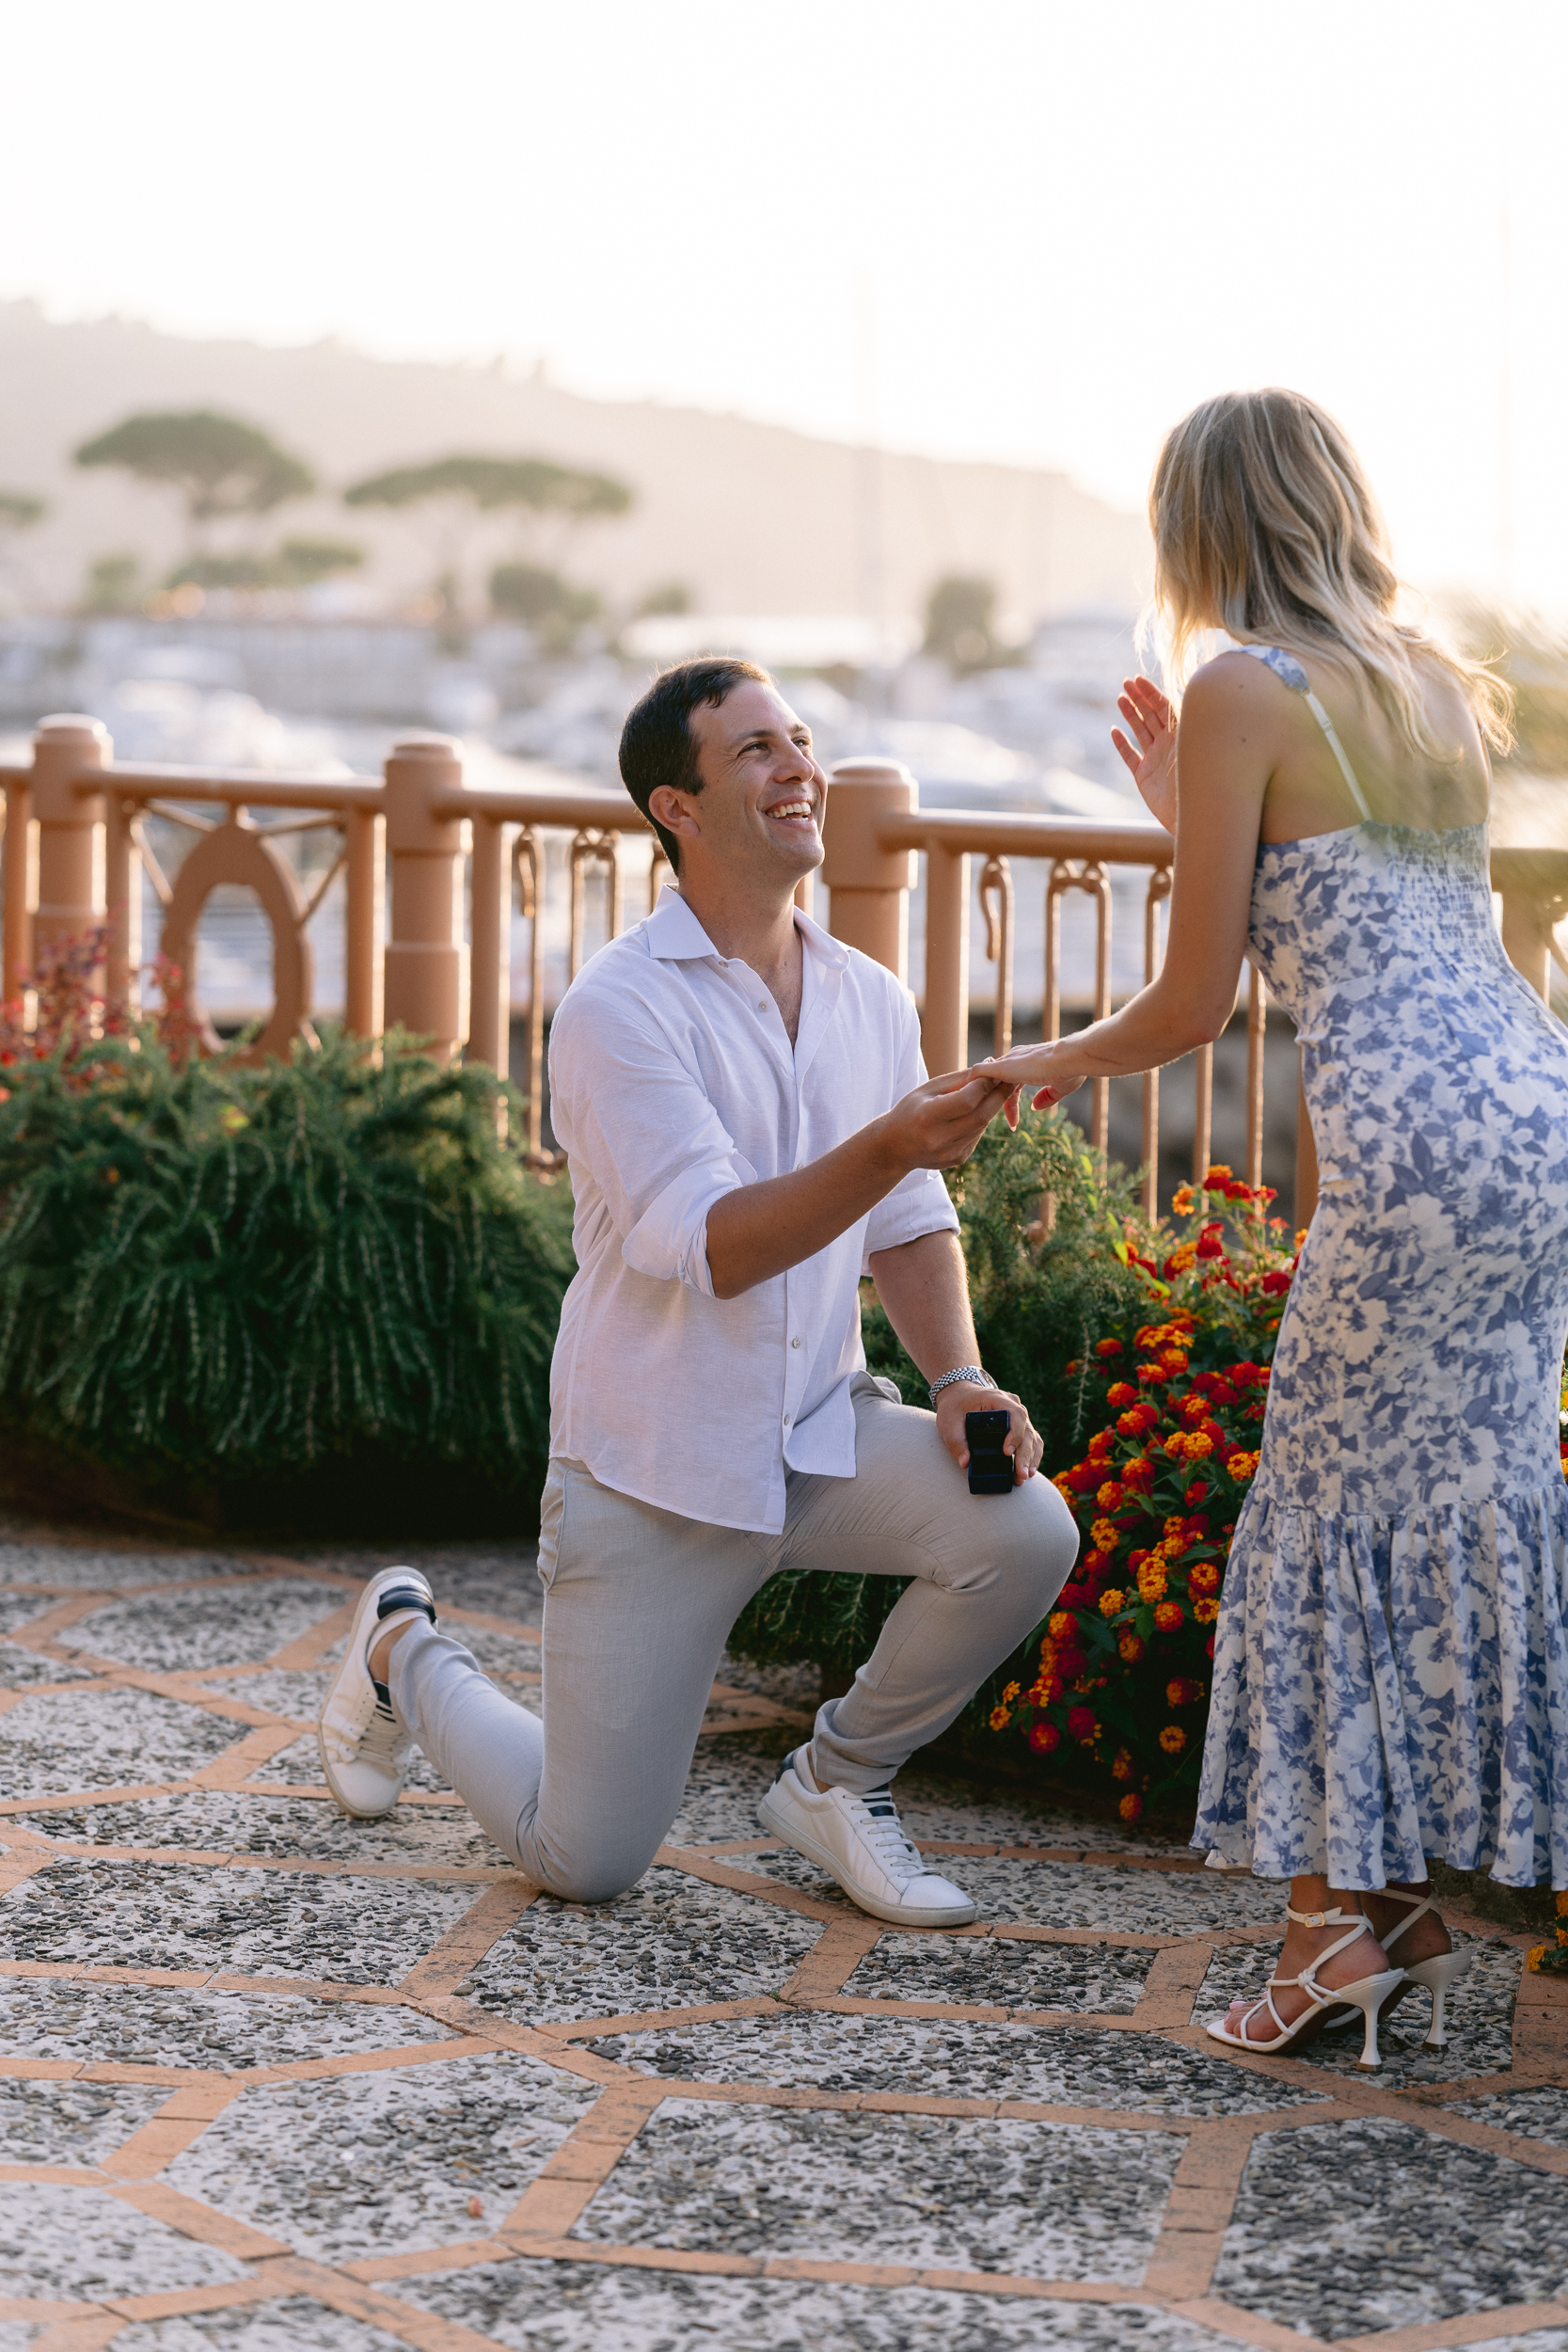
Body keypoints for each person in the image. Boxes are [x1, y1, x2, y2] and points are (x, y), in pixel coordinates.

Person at [983, 389, 1568, 2067]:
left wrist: (1036, 1064)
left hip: (1406, 1152)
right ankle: (1386, 1904)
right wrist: (1204, 797)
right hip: (1534, 1120)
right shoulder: (1434, 684)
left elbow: (1190, 1001)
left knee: (1320, 1519)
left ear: (1202, 527)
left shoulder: (1243, 685)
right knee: (1468, 1509)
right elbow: (1364, 909)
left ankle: (1325, 1948)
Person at [318, 656, 1078, 1926]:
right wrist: (890, 1139)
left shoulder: (868, 995)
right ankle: (400, 1643)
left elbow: (908, 1219)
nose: (799, 770)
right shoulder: (621, 1007)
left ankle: (841, 1781)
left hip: (815, 1439)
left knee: (1022, 1531)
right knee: (586, 1857)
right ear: (677, 807)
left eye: (801, 741)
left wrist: (959, 1378)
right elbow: (716, 1243)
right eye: (757, 752)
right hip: (652, 1476)